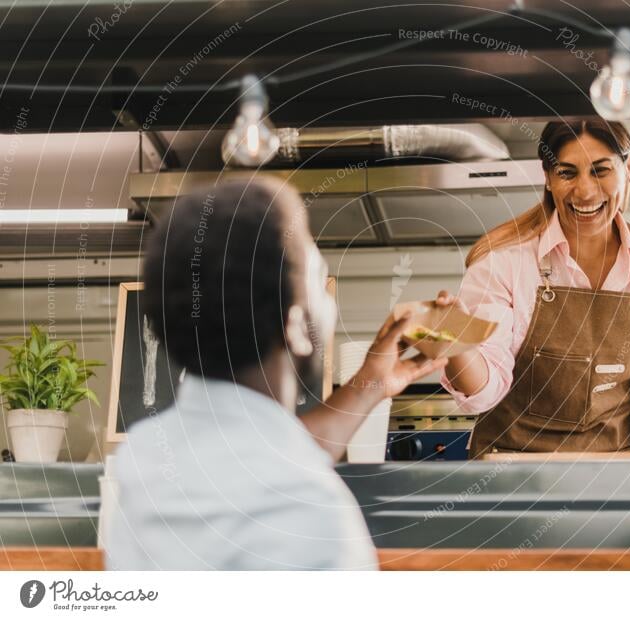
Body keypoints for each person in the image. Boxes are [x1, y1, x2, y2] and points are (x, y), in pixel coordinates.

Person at [106, 178, 446, 569]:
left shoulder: (145, 459)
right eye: (320, 279)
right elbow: (277, 472)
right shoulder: (315, 516)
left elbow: (261, 454)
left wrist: (370, 383)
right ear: (297, 325)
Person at [438, 119, 630, 457]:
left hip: (614, 475)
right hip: (509, 479)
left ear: (628, 168)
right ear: (547, 177)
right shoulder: (503, 262)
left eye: (600, 171)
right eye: (567, 173)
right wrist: (458, 347)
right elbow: (484, 392)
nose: (585, 191)